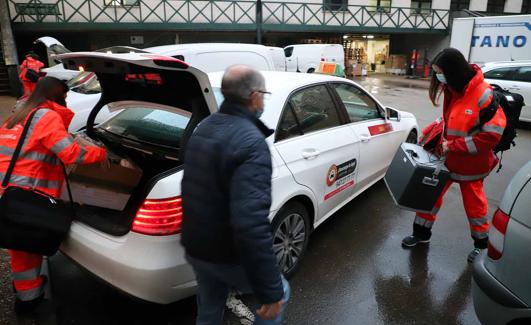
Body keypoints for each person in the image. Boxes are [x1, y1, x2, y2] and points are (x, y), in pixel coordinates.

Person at [181, 65, 289, 325]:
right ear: (254, 96)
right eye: (263, 93)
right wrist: (269, 291)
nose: (263, 99)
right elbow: (250, 222)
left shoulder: (205, 126)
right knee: (280, 292)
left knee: (209, 305)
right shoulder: (251, 142)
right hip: (226, 253)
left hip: (196, 246)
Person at [0, 77, 107, 313]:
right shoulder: (46, 117)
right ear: (56, 94)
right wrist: (99, 154)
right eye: (65, 96)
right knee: (26, 250)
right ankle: (29, 301)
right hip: (27, 193)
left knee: (20, 247)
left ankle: (26, 288)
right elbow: (70, 154)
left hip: (9, 192)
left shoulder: (19, 113)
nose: (67, 100)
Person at [401, 48, 507, 263]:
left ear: (454, 71)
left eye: (440, 72)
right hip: (447, 159)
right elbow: (453, 123)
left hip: (471, 164)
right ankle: (421, 234)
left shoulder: (483, 95)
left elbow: (491, 136)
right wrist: (436, 132)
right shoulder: (452, 89)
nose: (438, 77)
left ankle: (481, 244)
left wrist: (455, 145)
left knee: (475, 206)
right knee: (429, 197)